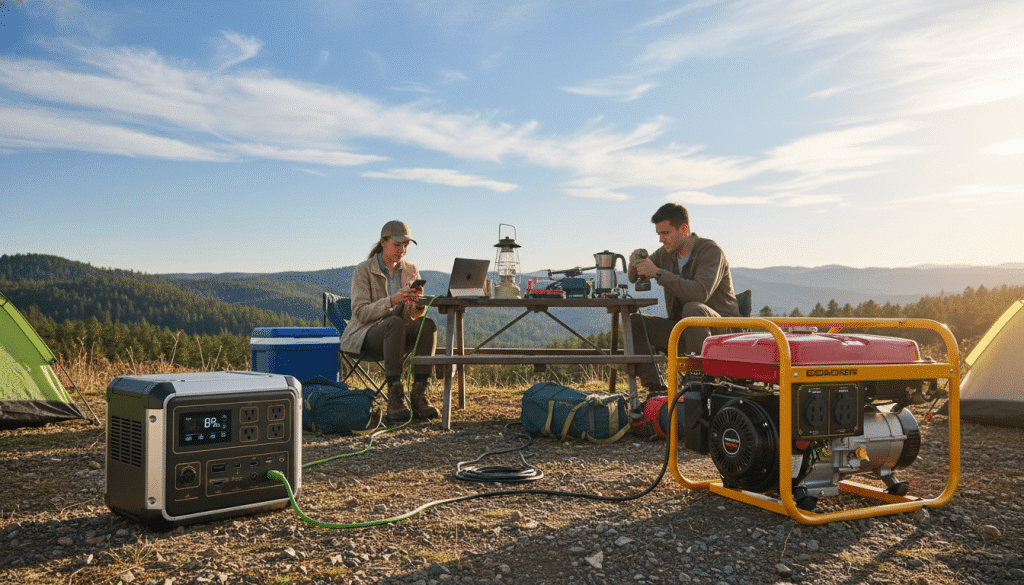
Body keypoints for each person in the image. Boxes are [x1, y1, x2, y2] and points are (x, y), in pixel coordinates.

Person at [627, 203, 741, 398]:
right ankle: (656, 389)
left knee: (693, 309)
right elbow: (633, 277)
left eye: (665, 233)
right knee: (634, 322)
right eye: (658, 234)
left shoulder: (710, 251)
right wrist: (635, 263)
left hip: (722, 332)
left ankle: (698, 384)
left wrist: (659, 273)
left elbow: (699, 294)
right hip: (684, 331)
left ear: (684, 229)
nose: (661, 240)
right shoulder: (666, 253)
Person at [339, 220, 439, 423]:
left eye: (406, 246)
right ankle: (394, 398)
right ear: (383, 242)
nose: (402, 250)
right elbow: (360, 313)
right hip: (368, 335)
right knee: (395, 324)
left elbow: (414, 315)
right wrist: (392, 301)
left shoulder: (410, 269)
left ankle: (419, 396)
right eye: (397, 245)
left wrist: (417, 303)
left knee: (427, 325)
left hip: (398, 334)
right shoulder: (364, 270)